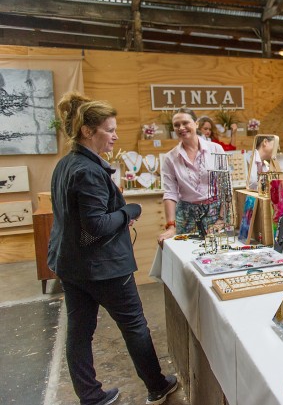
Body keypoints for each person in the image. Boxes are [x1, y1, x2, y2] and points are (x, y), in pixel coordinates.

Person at [48, 92, 177, 405]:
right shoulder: (88, 171)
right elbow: (95, 226)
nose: (115, 136)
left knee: (79, 332)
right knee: (134, 326)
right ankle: (157, 386)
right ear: (88, 131)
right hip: (103, 267)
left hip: (72, 264)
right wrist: (129, 212)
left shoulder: (66, 164)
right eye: (109, 129)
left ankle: (90, 396)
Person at [158, 108, 224, 244]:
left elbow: (225, 188)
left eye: (185, 123)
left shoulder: (216, 149)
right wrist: (171, 227)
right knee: (187, 257)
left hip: (215, 214)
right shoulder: (170, 158)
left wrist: (221, 219)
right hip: (186, 217)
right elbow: (170, 193)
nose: (181, 128)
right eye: (176, 125)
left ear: (196, 124)